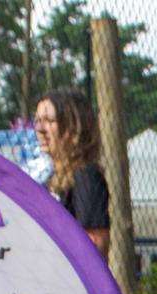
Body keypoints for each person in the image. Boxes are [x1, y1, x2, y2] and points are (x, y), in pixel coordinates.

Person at [34, 87, 110, 260]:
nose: (40, 129)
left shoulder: (86, 177)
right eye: (37, 120)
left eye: (50, 121)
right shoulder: (52, 181)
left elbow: (95, 244)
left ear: (75, 126)